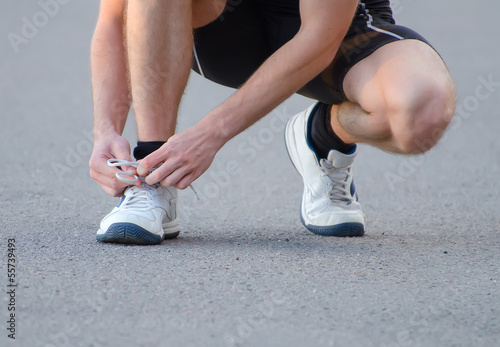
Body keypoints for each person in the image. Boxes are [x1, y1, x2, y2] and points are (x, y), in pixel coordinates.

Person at [89, 0, 455, 245]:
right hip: (217, 29)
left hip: (334, 32)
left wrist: (210, 134)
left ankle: (324, 135)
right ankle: (152, 175)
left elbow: (319, 39)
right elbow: (114, 19)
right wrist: (106, 130)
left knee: (421, 113)